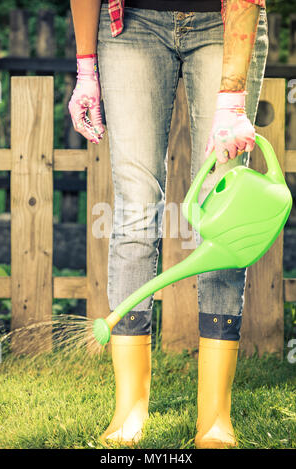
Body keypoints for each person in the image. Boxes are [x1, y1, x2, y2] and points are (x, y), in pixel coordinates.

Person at [68, 0, 268, 448]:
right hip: (130, 24)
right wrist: (85, 69)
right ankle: (129, 410)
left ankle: (215, 417)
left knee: (223, 216)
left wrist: (232, 98)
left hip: (224, 22)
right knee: (135, 210)